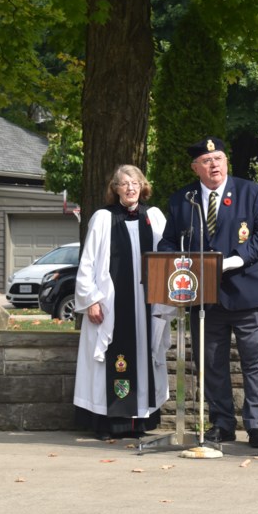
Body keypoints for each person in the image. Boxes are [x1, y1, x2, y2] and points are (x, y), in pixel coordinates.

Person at [158, 137, 258, 449]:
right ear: (195, 167)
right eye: (208, 161)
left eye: (219, 159)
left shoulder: (250, 193)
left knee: (255, 362)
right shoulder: (183, 200)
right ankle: (222, 423)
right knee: (211, 363)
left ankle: (256, 426)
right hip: (205, 299)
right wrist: (180, 261)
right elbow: (168, 243)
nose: (215, 165)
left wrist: (237, 257)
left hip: (248, 293)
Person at [73, 165, 170, 440]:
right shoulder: (103, 218)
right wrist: (91, 299)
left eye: (135, 182)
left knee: (143, 357)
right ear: (115, 189)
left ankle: (138, 423)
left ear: (143, 186)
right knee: (110, 363)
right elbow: (88, 262)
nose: (130, 188)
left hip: (147, 305)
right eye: (124, 183)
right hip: (110, 306)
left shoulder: (154, 216)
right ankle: (107, 424)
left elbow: (168, 255)